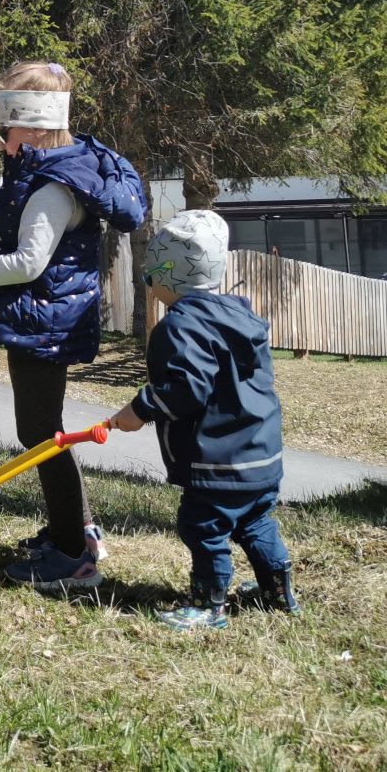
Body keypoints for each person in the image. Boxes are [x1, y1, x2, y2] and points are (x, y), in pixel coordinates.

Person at [0, 60, 146, 592]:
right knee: (44, 431)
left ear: (33, 128)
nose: (0, 141)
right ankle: (79, 532)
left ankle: (72, 556)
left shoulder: (53, 188)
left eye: (6, 130)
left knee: (41, 435)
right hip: (46, 320)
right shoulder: (47, 168)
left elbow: (28, 263)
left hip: (45, 324)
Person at [108, 209, 299, 630]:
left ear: (167, 274)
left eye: (150, 274)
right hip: (261, 456)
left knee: (203, 527)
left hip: (218, 462)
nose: (149, 283)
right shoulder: (239, 316)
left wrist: (139, 410)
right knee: (255, 521)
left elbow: (186, 389)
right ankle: (278, 592)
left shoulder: (179, 328)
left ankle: (209, 604)